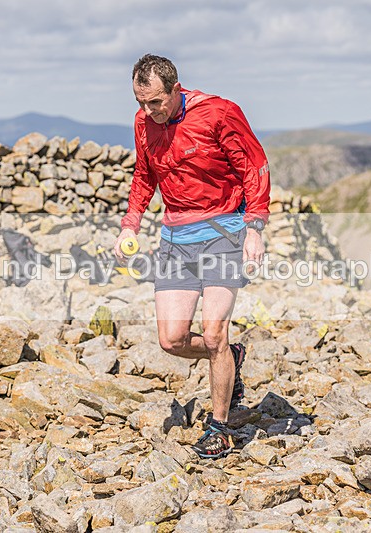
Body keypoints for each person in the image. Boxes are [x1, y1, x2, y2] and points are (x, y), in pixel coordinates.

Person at [114, 54, 271, 458]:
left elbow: (254, 167)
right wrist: (131, 224)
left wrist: (255, 228)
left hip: (224, 232)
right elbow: (144, 175)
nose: (148, 110)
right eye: (140, 102)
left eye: (155, 102)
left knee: (214, 333)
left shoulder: (219, 113)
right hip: (176, 239)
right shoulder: (143, 122)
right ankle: (230, 358)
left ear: (175, 89)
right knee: (172, 340)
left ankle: (219, 428)